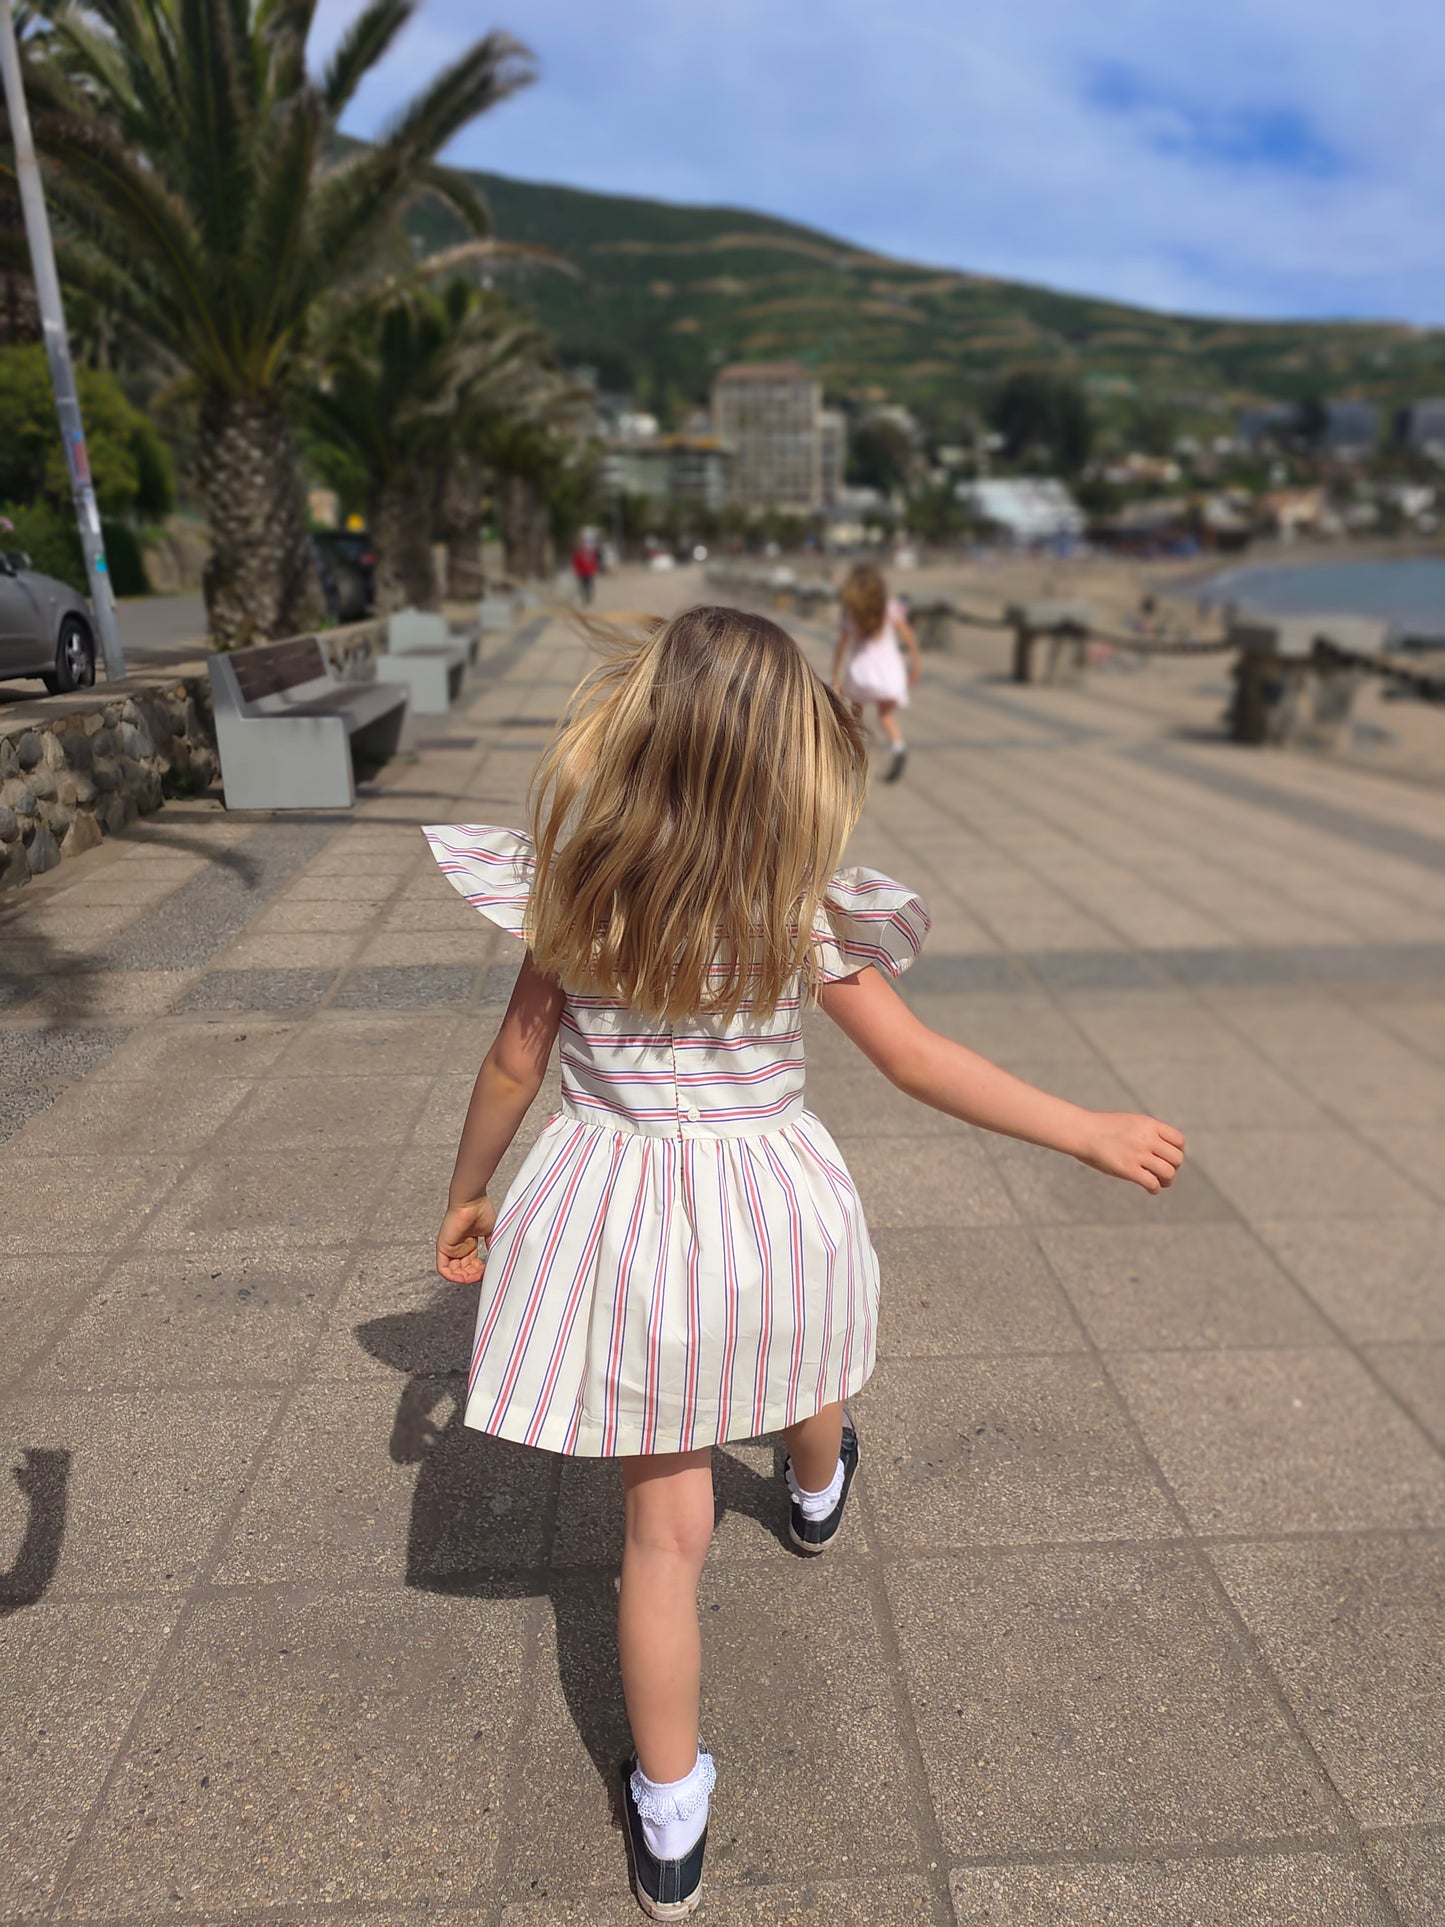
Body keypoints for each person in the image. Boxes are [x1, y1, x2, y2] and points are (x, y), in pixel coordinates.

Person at [424, 607, 1185, 1921]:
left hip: (622, 1202)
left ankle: (670, 1821)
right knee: (805, 1360)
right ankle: (817, 1490)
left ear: (639, 726)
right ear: (796, 760)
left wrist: (469, 1186)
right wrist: (1084, 1127)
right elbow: (917, 1057)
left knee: (659, 1541)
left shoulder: (577, 884)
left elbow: (513, 1062)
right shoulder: (793, 907)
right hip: (772, 1199)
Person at [831, 562, 921, 783]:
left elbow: (842, 646)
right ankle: (898, 749)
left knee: (855, 715)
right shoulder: (889, 609)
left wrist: (835, 676)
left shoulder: (852, 614)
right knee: (885, 716)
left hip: (863, 672)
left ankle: (855, 753)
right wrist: (916, 664)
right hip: (889, 672)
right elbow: (908, 636)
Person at [572, 536, 600, 605]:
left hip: (589, 572)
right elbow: (576, 563)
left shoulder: (590, 552)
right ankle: (584, 598)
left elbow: (594, 561)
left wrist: (594, 570)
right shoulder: (578, 553)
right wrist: (577, 571)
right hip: (581, 572)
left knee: (589, 586)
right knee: (582, 587)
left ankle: (588, 598)